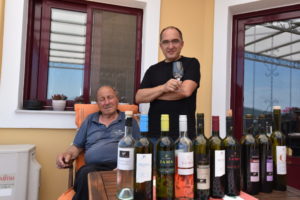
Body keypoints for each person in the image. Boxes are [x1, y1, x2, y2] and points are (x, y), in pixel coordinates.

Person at [56, 86, 140, 200]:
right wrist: (67, 154)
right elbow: (76, 146)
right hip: (93, 169)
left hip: (121, 168)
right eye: (102, 99)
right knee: (86, 174)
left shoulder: (128, 120)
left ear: (117, 99)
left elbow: (139, 148)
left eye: (110, 97)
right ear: (98, 104)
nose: (106, 102)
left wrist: (126, 167)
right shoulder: (90, 120)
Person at [135, 26, 200, 141]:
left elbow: (185, 91)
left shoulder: (191, 63)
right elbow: (139, 97)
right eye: (166, 42)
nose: (170, 46)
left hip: (183, 135)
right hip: (154, 136)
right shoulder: (153, 69)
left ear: (182, 44)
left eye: (175, 41)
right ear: (161, 46)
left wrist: (153, 95)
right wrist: (163, 88)